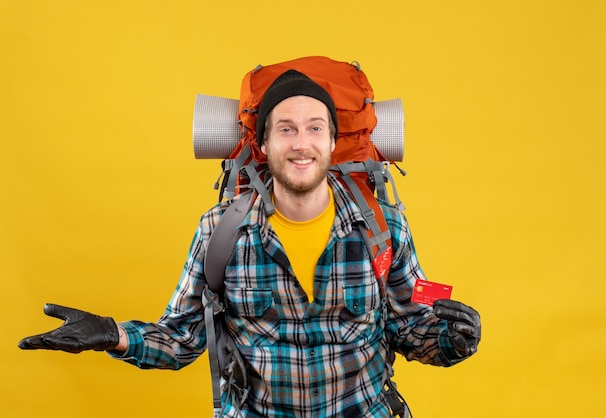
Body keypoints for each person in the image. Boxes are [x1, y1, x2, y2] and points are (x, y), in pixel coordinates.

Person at [19, 69, 481, 417]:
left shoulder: (386, 228)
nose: (302, 143)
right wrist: (113, 335)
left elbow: (410, 331)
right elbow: (181, 340)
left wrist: (452, 339)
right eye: (286, 128)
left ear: (333, 140)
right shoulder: (219, 231)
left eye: (315, 127)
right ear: (264, 142)